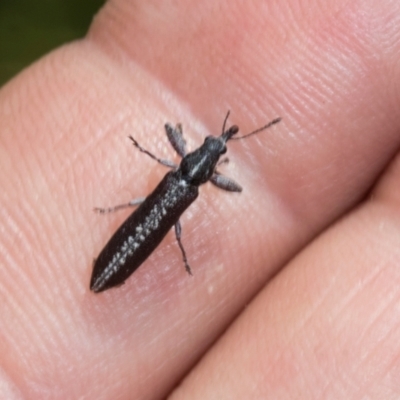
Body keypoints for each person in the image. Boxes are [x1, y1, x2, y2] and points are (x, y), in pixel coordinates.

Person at [1, 1, 400, 398]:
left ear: (203, 162)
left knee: (145, 219)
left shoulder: (182, 179)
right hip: (132, 241)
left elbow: (176, 150)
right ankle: (115, 261)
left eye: (217, 146)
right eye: (215, 144)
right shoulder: (189, 185)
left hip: (152, 217)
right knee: (147, 222)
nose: (217, 143)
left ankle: (118, 259)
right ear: (204, 162)